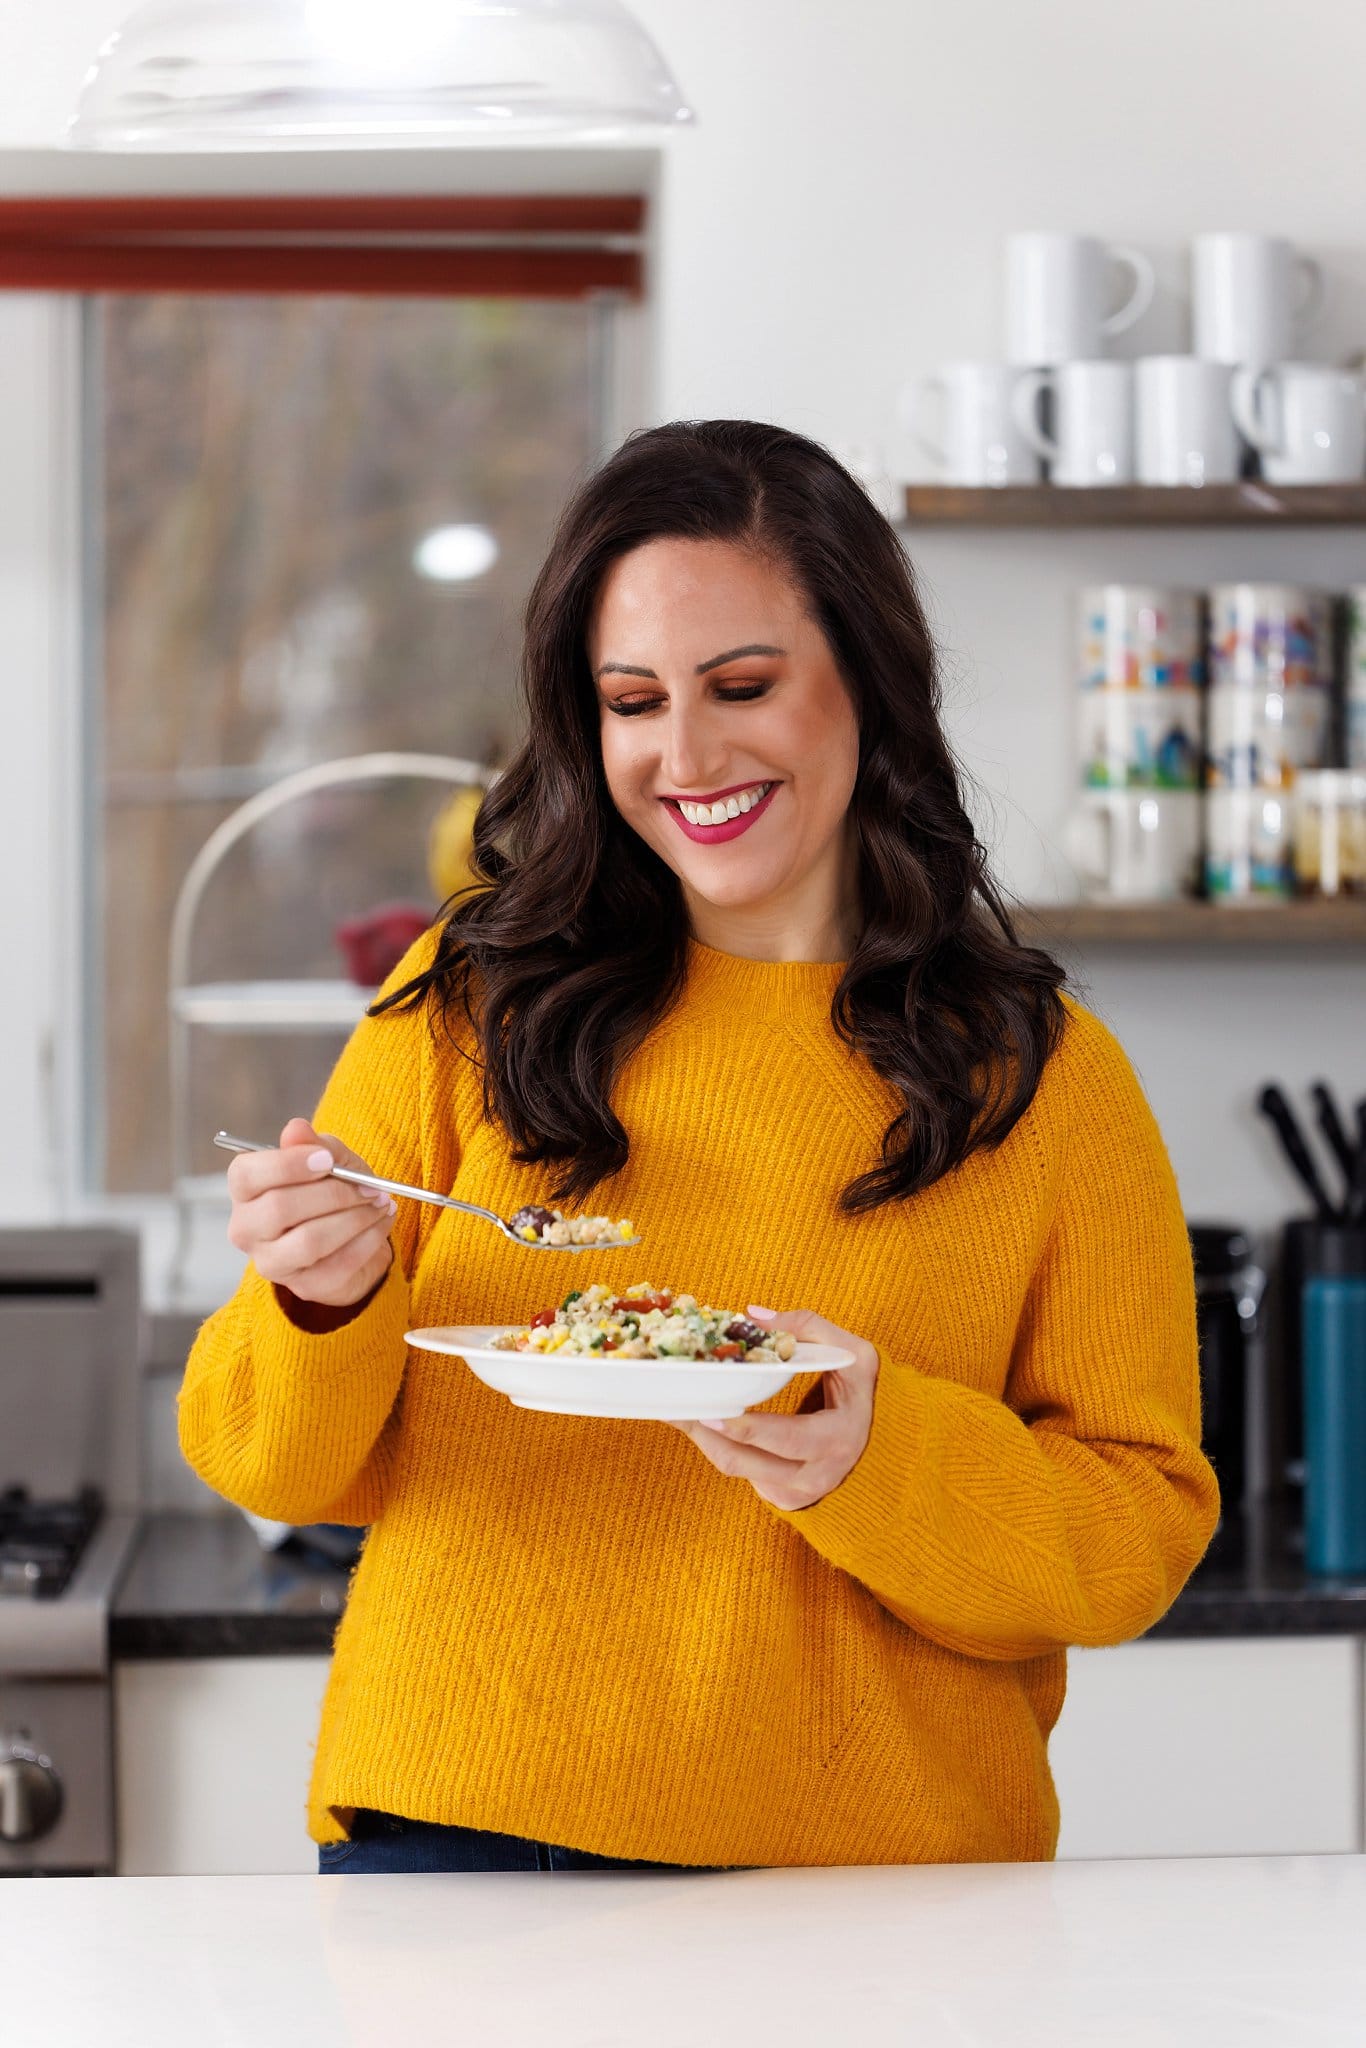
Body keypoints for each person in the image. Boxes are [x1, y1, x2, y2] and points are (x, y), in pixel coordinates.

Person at [179, 419, 1219, 1875]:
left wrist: (876, 1454)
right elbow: (265, 1461)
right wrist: (320, 1299)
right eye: (631, 701)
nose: (686, 754)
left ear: (867, 677)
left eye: (742, 685)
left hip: (877, 1876)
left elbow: (1135, 1529)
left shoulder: (1042, 1083)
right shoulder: (465, 1011)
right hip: (463, 1837)